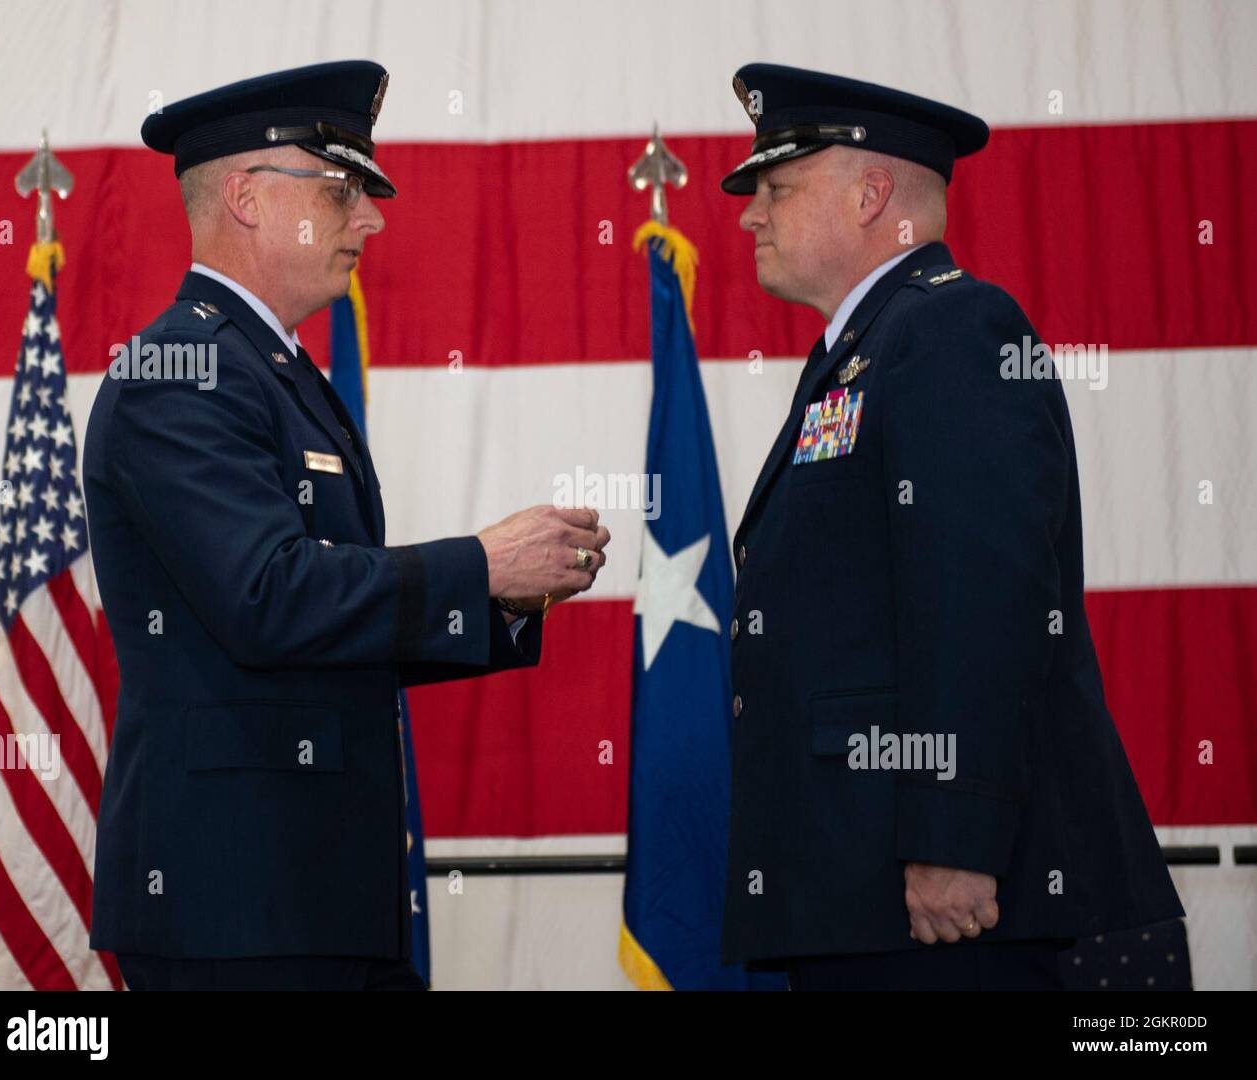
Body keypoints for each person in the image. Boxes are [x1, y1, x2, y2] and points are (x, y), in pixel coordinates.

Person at [83, 60, 609, 991]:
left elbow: (332, 628)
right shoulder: (180, 372)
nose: (370, 220)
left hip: (318, 894)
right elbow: (268, 599)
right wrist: (480, 565)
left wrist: (503, 598)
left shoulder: (273, 372)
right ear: (246, 198)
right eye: (340, 191)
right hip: (236, 904)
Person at [718, 63, 1183, 991]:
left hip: (953, 907)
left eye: (777, 188)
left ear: (871, 196)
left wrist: (954, 836)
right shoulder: (864, 352)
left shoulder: (952, 328)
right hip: (867, 896)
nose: (749, 217)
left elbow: (982, 599)